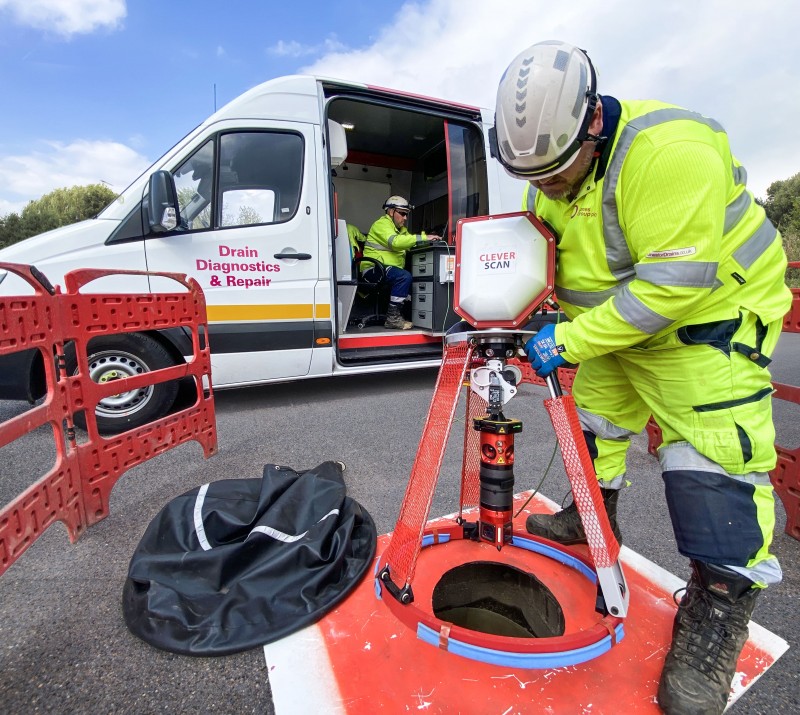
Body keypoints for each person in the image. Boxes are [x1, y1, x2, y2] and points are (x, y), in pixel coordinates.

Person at [493, 41, 791, 714]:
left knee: (711, 455)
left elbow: (671, 288)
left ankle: (717, 615)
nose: (547, 188)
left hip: (703, 321)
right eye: (533, 177)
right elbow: (539, 250)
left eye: (556, 173)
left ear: (592, 121)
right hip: (613, 325)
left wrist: (567, 338)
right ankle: (590, 518)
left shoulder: (669, 152)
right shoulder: (550, 177)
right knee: (594, 422)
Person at [362, 196, 439, 330]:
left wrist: (427, 240)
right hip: (373, 269)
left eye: (406, 214)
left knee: (410, 276)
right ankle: (393, 318)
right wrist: (423, 237)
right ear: (391, 212)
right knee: (404, 276)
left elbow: (408, 242)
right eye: (402, 213)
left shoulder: (400, 229)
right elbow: (396, 242)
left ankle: (401, 315)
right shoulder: (382, 224)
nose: (405, 218)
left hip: (387, 269)